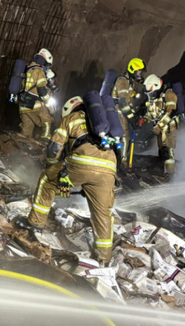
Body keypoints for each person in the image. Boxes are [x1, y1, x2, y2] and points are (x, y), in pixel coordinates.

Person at [19, 95, 117, 264]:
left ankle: (35, 223)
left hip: (82, 164)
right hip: (109, 169)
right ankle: (104, 258)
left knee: (46, 180)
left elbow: (54, 148)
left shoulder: (71, 119)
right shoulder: (105, 125)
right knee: (102, 213)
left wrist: (52, 165)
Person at [142, 74, 179, 174]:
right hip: (160, 128)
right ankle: (163, 172)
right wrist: (145, 118)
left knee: (168, 151)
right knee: (161, 151)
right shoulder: (156, 97)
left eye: (152, 92)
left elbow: (170, 113)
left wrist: (159, 126)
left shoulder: (169, 95)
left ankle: (171, 174)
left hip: (168, 128)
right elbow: (152, 111)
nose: (151, 95)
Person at [18, 48, 55, 140]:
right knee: (47, 121)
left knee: (26, 132)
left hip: (23, 105)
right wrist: (48, 104)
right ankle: (45, 141)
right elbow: (42, 89)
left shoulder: (27, 69)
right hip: (35, 105)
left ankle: (23, 150)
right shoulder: (39, 71)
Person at [113, 57, 146, 134]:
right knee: (124, 138)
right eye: (139, 72)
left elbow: (129, 101)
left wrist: (135, 114)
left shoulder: (131, 83)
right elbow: (122, 103)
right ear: (132, 70)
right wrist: (132, 119)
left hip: (123, 115)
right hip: (117, 114)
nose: (140, 75)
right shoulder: (123, 81)